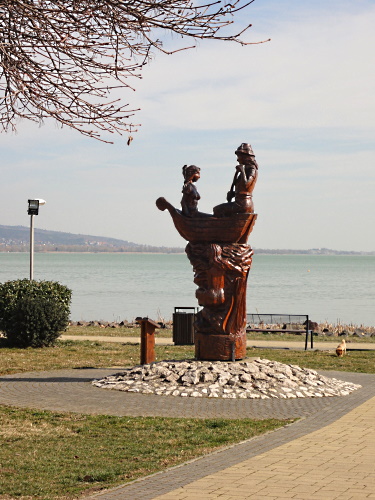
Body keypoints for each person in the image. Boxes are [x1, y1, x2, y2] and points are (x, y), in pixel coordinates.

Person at [213, 143, 258, 217]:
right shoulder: (247, 169)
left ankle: (225, 227)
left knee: (217, 210)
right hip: (241, 202)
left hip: (243, 204)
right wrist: (233, 194)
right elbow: (242, 189)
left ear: (245, 157)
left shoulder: (251, 169)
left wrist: (242, 171)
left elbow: (246, 185)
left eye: (239, 157)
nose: (237, 159)